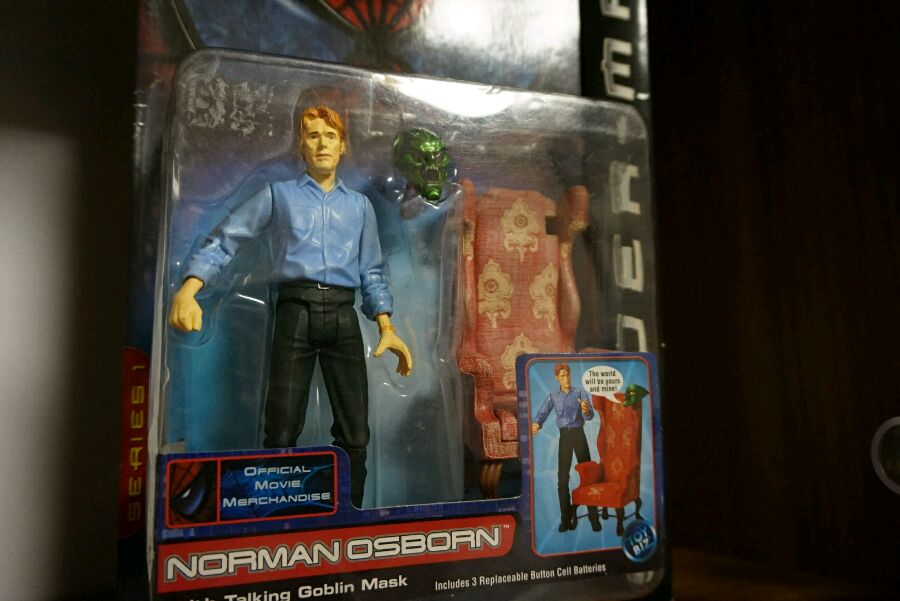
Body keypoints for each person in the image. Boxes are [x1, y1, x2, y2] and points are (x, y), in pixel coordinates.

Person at [168, 105, 413, 508]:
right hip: (294, 312)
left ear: (343, 145)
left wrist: (387, 327)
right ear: (301, 144)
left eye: (330, 136)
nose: (322, 144)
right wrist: (189, 289)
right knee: (281, 428)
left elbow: (371, 270)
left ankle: (351, 513)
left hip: (343, 316)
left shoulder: (359, 207)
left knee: (355, 431)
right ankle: (278, 513)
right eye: (313, 135)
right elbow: (227, 240)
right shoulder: (278, 195)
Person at [532, 363, 601, 532]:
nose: (566, 378)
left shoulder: (579, 392)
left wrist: (586, 410)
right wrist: (536, 423)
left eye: (568, 374)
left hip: (579, 435)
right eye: (562, 375)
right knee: (562, 479)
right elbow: (542, 413)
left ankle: (593, 518)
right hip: (565, 437)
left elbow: (590, 415)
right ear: (557, 378)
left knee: (588, 476)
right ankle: (565, 519)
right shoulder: (553, 396)